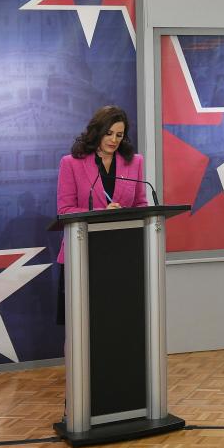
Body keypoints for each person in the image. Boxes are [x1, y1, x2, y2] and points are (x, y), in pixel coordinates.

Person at [55, 105, 147, 325]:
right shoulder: (71, 163)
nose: (114, 140)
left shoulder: (134, 162)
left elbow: (141, 204)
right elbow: (65, 210)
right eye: (109, 133)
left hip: (123, 255)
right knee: (82, 325)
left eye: (119, 135)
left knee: (120, 323)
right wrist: (101, 213)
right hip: (82, 253)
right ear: (97, 131)